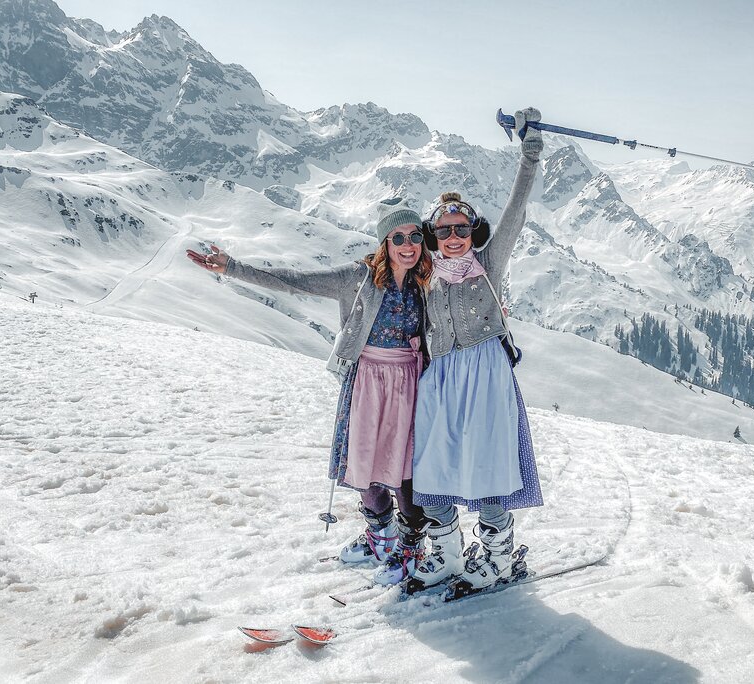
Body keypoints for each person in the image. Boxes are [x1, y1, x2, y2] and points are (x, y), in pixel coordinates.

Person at [185, 198, 432, 585]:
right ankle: (381, 535)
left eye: (415, 236)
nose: (408, 244)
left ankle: (411, 545)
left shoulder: (426, 283)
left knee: (404, 467)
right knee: (361, 462)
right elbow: (294, 280)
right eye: (397, 237)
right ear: (384, 242)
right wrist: (232, 268)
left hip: (409, 382)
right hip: (366, 379)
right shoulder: (358, 277)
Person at [408, 107, 545, 592]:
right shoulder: (425, 273)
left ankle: (498, 558)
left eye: (461, 229)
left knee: (487, 463)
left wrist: (530, 152)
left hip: (485, 372)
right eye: (444, 230)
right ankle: (446, 552)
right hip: (442, 375)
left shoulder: (489, 262)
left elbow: (515, 211)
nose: (453, 238)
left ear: (473, 232)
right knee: (432, 461)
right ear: (433, 235)